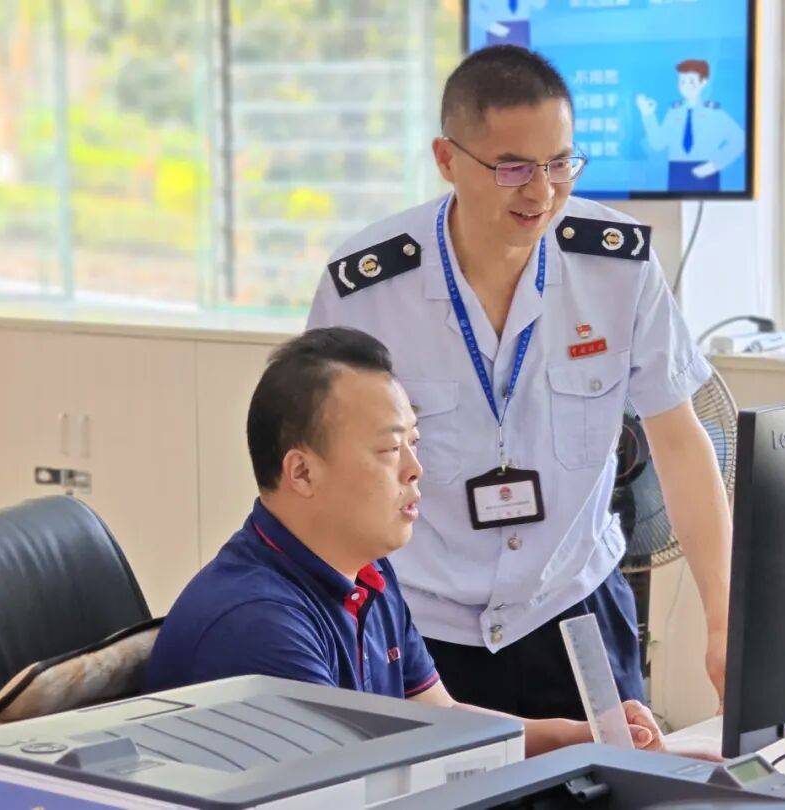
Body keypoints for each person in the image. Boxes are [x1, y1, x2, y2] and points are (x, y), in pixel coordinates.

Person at [307, 45, 732, 720]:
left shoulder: (616, 266)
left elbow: (680, 441)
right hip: (421, 630)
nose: (541, 193)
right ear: (447, 159)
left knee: (611, 774)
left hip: (575, 610)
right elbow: (324, 477)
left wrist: (723, 620)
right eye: (513, 169)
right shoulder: (367, 291)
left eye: (559, 163)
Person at [145, 327, 665, 757]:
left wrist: (578, 736)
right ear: (301, 472)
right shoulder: (260, 625)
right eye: (390, 449)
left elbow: (441, 720)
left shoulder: (367, 573)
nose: (416, 469)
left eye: (414, 443)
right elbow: (346, 790)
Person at [636, 59, 746, 193]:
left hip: (706, 174)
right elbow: (658, 143)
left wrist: (714, 165)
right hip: (677, 171)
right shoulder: (674, 112)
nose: (686, 86)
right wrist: (648, 115)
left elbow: (740, 140)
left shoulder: (714, 113)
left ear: (703, 82)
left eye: (691, 82)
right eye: (682, 81)